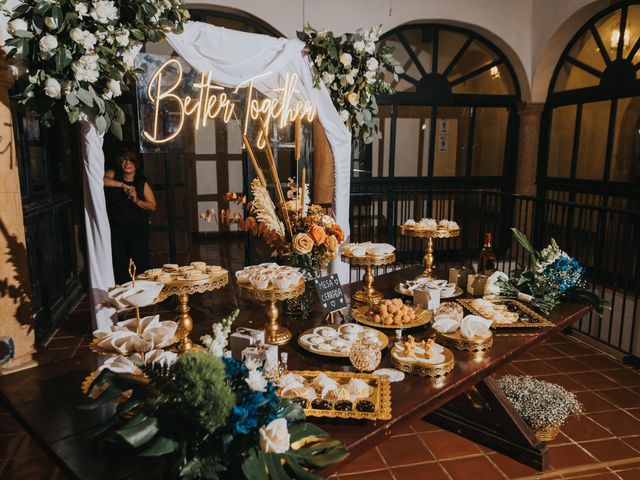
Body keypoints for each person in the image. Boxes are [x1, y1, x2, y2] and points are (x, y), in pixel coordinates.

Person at [103, 150, 156, 284]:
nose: (127, 163)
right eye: (125, 160)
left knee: (141, 261)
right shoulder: (113, 174)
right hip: (117, 227)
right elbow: (99, 181)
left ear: (136, 165)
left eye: (131, 161)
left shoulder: (141, 182)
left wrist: (136, 200)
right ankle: (124, 291)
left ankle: (145, 289)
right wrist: (123, 185)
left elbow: (152, 206)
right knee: (119, 260)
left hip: (137, 227)